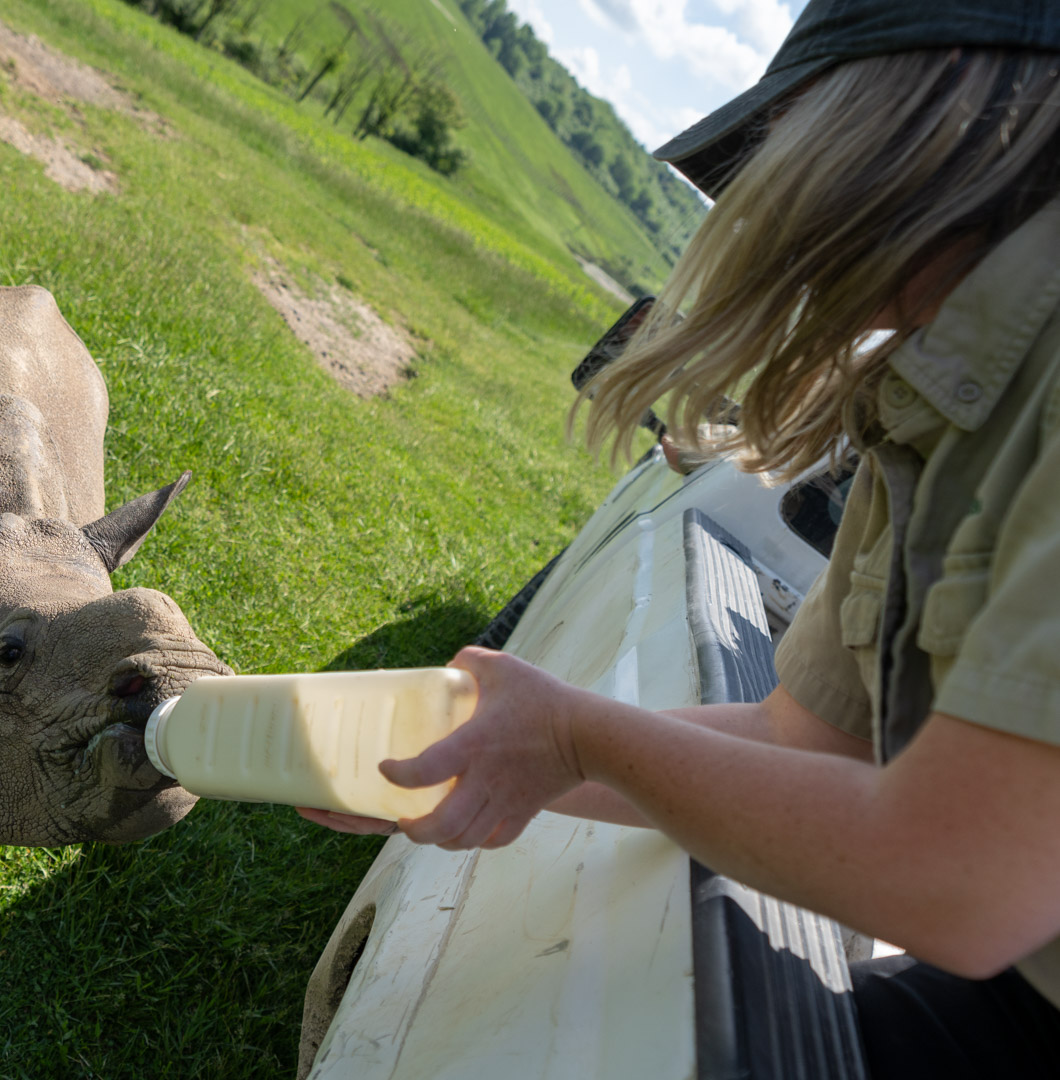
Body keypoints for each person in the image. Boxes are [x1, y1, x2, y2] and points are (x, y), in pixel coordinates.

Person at [300, 1, 1060, 1075]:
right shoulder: (942, 386)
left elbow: (964, 878)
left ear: (919, 115)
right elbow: (805, 746)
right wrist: (498, 759)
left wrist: (574, 739)